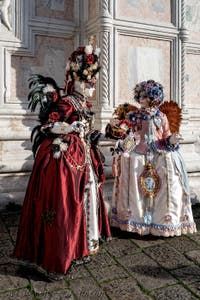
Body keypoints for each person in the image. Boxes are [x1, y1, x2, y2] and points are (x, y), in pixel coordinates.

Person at [12, 37, 111, 279]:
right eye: (87, 84)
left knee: (86, 193)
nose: (90, 88)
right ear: (75, 81)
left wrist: (102, 135)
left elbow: (86, 131)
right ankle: (61, 250)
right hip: (64, 160)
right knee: (66, 202)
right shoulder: (66, 103)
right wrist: (67, 128)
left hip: (82, 156)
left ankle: (82, 244)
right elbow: (48, 126)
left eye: (92, 85)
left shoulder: (83, 104)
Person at [107, 79, 196, 237]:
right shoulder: (134, 116)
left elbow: (165, 136)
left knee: (170, 165)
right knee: (132, 163)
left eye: (145, 96)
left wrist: (171, 140)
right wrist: (121, 133)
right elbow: (128, 133)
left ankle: (161, 221)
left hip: (157, 151)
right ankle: (135, 220)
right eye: (140, 95)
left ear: (153, 98)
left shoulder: (161, 117)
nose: (141, 99)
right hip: (138, 151)